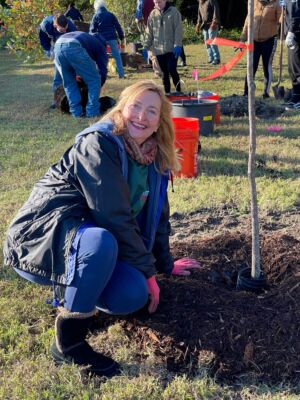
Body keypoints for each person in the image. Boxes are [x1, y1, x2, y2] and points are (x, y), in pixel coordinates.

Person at [3, 80, 200, 376]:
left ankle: (82, 295)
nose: (141, 117)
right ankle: (68, 343)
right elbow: (112, 215)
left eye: (152, 112)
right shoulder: (99, 143)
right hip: (44, 239)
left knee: (132, 296)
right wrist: (148, 272)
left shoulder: (153, 155)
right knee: (102, 241)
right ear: (122, 107)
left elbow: (158, 216)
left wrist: (165, 264)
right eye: (135, 106)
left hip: (90, 244)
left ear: (160, 121)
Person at [54, 31, 107, 118]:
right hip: (73, 46)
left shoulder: (87, 39)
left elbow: (75, 61)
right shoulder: (100, 46)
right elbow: (103, 69)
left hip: (57, 46)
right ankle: (92, 112)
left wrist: (77, 74)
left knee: (69, 82)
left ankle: (76, 112)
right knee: (94, 80)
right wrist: (100, 84)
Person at [240, 0, 282, 98]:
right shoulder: (253, 2)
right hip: (253, 40)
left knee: (267, 65)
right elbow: (248, 20)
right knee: (251, 66)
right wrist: (243, 38)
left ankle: (266, 93)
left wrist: (283, 14)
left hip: (269, 40)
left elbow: (280, 20)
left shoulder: (276, 3)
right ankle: (247, 92)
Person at [135, 0, 187, 74]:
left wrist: (137, 18)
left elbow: (139, 11)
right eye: (156, 2)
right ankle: (161, 70)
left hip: (160, 22)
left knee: (165, 45)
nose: (157, 3)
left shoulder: (142, 1)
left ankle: (163, 69)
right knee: (156, 50)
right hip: (153, 23)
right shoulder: (152, 11)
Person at [144, 0, 183, 94]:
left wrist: (178, 44)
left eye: (160, 2)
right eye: (156, 2)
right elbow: (149, 32)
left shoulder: (173, 12)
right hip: (158, 50)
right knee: (164, 72)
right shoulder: (153, 14)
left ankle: (178, 91)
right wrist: (146, 45)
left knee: (172, 69)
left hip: (172, 48)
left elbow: (178, 29)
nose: (158, 4)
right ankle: (167, 93)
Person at [39, 14, 77, 108]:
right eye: (62, 30)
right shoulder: (46, 25)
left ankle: (72, 98)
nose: (64, 30)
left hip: (69, 46)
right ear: (55, 26)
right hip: (56, 46)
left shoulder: (71, 26)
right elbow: (42, 36)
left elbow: (76, 40)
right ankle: (56, 101)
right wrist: (47, 49)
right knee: (58, 75)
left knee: (72, 74)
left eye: (65, 29)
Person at [90, 0, 125, 79]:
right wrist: (121, 36)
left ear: (96, 7)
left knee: (101, 57)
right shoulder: (111, 15)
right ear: (105, 6)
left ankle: (102, 74)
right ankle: (121, 74)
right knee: (117, 56)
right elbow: (117, 26)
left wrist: (92, 39)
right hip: (112, 37)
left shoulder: (95, 16)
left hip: (101, 39)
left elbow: (92, 30)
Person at [195, 0, 221, 65]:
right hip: (205, 26)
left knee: (212, 42)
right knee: (207, 43)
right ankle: (211, 58)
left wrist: (214, 22)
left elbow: (216, 11)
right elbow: (199, 15)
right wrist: (198, 23)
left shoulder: (211, 1)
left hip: (212, 25)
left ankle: (216, 58)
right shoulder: (200, 3)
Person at [284, 0, 300, 107]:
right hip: (293, 33)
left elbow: (295, 14)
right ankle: (295, 96)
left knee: (297, 69)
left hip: (296, 34)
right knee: (291, 69)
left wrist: (291, 32)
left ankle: (298, 99)